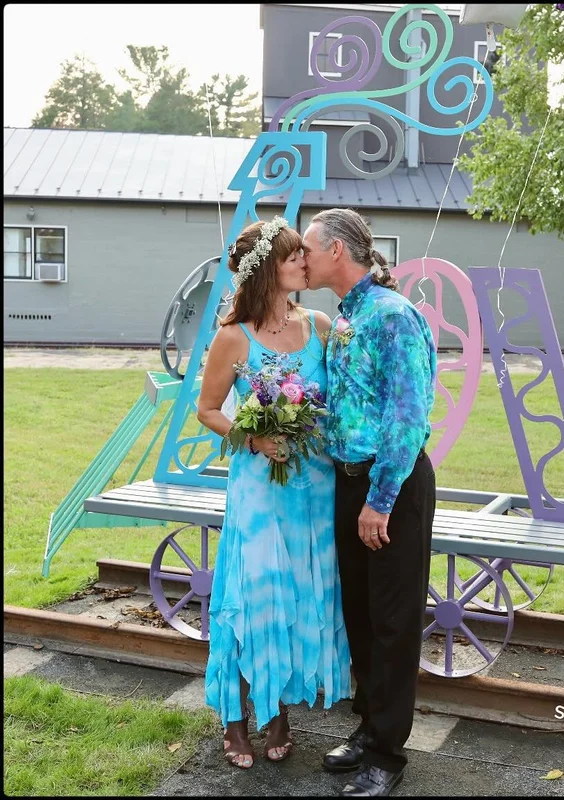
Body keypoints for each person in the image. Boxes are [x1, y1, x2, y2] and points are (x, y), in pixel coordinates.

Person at [197, 217, 352, 769]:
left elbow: (344, 396)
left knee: (298, 596)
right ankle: (236, 719)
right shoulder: (233, 337)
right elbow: (209, 409)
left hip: (313, 489)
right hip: (259, 491)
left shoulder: (321, 325)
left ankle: (279, 710)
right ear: (269, 269)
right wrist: (255, 435)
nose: (303, 264)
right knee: (255, 595)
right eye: (293, 259)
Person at [302, 208, 437, 798]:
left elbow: (408, 418)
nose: (300, 258)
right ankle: (368, 725)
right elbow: (353, 406)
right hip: (350, 483)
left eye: (306, 248)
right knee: (359, 612)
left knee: (392, 620)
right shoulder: (347, 315)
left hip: (393, 487)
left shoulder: (392, 316)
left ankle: (386, 752)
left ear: (336, 250)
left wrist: (379, 500)